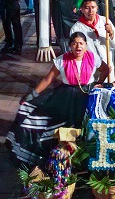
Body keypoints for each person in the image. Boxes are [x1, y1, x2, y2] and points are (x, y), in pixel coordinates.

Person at [6, 32, 109, 165]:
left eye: (81, 43)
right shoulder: (62, 60)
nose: (78, 46)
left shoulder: (93, 58)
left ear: (86, 45)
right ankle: (63, 158)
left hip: (87, 94)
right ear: (70, 45)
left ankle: (85, 158)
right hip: (66, 96)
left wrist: (98, 83)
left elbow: (106, 69)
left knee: (86, 126)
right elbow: (48, 79)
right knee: (60, 126)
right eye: (74, 43)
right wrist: (33, 95)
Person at [69, 0, 115, 79]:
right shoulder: (76, 29)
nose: (90, 11)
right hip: (89, 68)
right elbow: (74, 52)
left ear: (97, 8)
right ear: (81, 9)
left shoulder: (105, 21)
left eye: (93, 7)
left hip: (108, 66)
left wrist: (111, 33)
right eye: (87, 8)